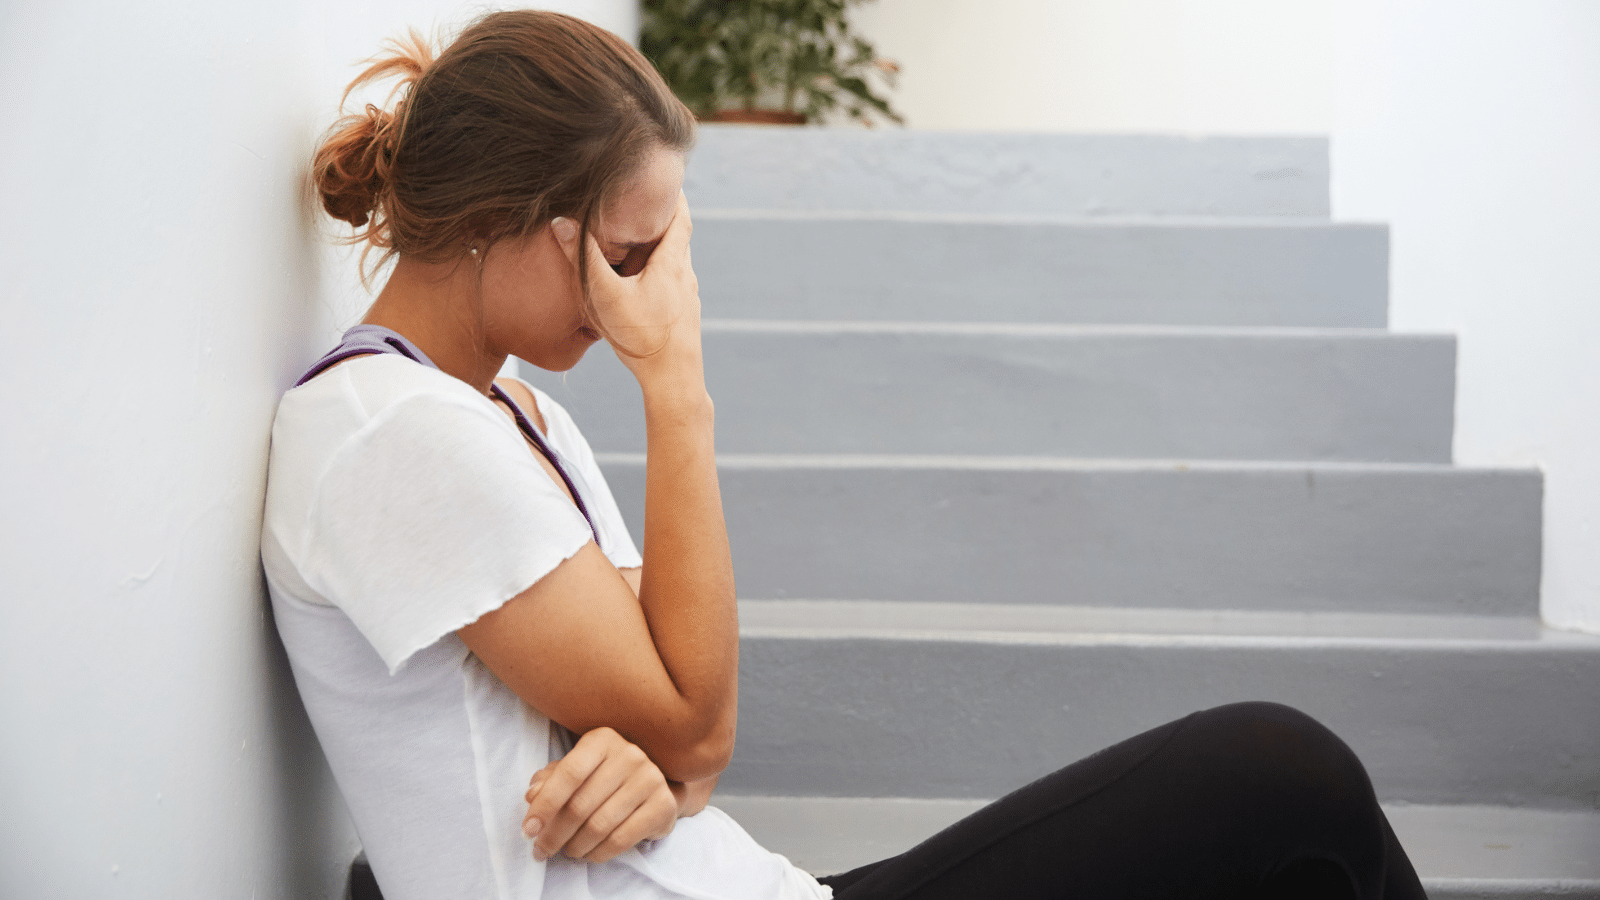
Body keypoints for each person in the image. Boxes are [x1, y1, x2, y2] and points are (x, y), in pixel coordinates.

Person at [262, 10, 1429, 900]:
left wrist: (660, 760)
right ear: (503, 218)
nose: (653, 294)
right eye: (630, 253)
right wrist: (678, 391)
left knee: (1293, 810)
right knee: (1285, 773)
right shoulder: (389, 432)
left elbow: (686, 739)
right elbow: (695, 720)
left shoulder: (510, 416)